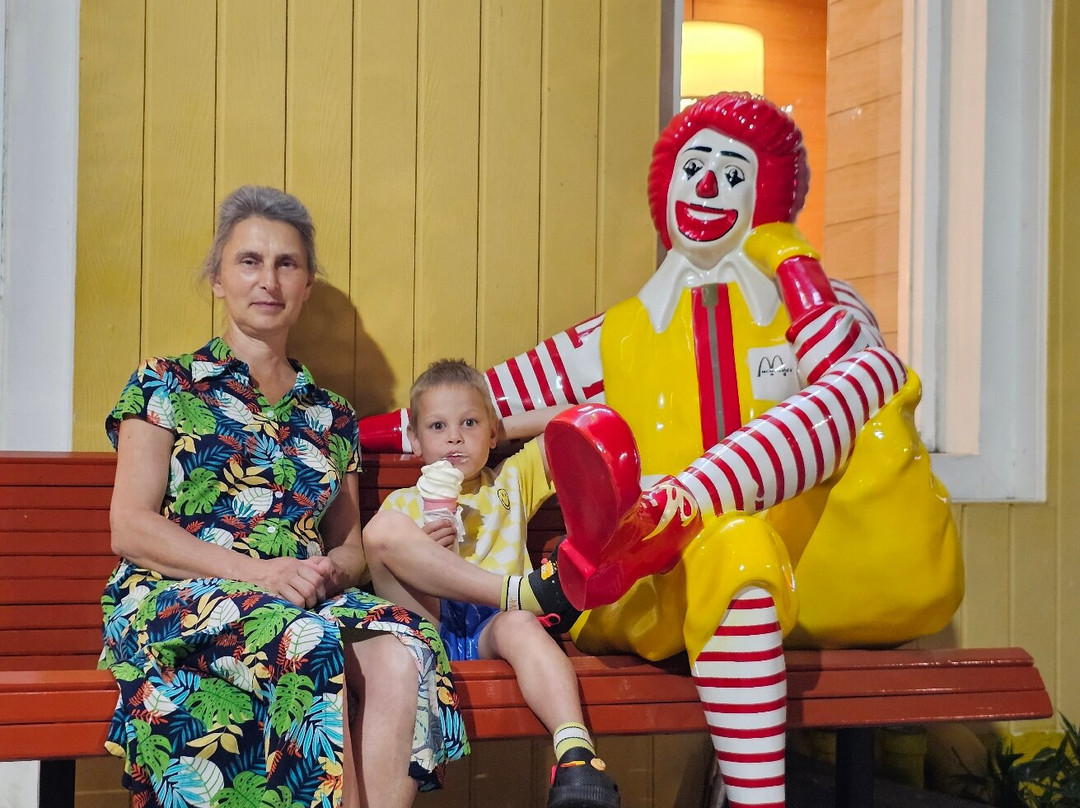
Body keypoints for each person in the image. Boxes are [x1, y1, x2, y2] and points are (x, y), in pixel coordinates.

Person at [359, 93, 962, 808]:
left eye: (733, 172)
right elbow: (493, 398)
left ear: (766, 195)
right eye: (693, 166)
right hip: (657, 585)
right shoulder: (617, 336)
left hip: (825, 570)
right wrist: (354, 430)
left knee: (869, 376)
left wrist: (792, 262)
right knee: (734, 547)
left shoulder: (820, 305)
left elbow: (850, 379)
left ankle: (683, 505)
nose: (707, 186)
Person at [98, 185, 468, 808]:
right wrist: (256, 574)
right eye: (249, 261)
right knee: (307, 641)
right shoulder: (165, 383)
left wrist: (325, 571)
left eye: (286, 264)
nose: (267, 280)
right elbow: (129, 527)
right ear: (218, 279)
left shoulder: (332, 415)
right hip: (181, 595)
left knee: (408, 646)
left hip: (302, 593)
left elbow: (349, 545)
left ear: (306, 287)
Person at [362, 360, 619, 808]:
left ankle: (576, 756)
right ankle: (523, 591)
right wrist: (425, 551)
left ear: (492, 434)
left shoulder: (511, 483)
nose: (455, 437)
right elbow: (384, 561)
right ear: (416, 441)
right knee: (381, 533)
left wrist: (501, 423)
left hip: (493, 626)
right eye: (438, 426)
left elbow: (586, 416)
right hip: (427, 622)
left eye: (470, 423)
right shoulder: (404, 502)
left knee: (521, 624)